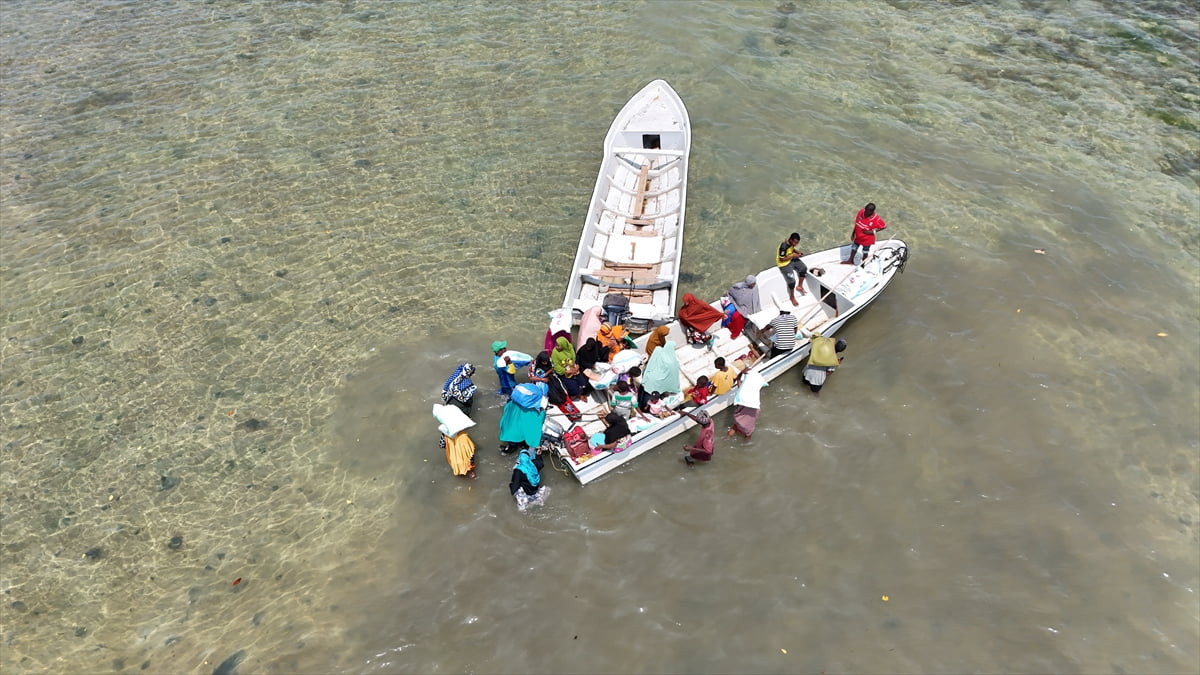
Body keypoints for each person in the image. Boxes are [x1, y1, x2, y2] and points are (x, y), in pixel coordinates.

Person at [498, 382, 548, 454]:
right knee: (519, 443)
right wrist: (543, 412)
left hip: (510, 429)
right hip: (518, 434)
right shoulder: (531, 412)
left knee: (512, 443)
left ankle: (506, 451)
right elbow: (536, 424)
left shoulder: (512, 403)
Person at [727, 369, 767, 439]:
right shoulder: (755, 396)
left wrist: (742, 372)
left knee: (734, 427)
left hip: (739, 419)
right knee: (748, 433)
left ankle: (727, 438)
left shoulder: (742, 393)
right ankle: (745, 444)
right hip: (748, 423)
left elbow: (738, 379)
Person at [509, 446, 549, 512]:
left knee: (516, 487)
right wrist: (538, 455)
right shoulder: (534, 463)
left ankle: (524, 506)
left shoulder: (518, 471)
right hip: (535, 487)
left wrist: (511, 487)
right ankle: (537, 499)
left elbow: (515, 484)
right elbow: (541, 464)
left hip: (527, 490)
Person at [776, 232, 808, 306]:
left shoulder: (791, 243)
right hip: (783, 264)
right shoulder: (784, 246)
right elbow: (782, 259)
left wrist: (797, 252)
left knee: (803, 268)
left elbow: (792, 248)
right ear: (790, 240)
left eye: (797, 243)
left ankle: (800, 286)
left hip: (790, 259)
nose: (796, 244)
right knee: (792, 281)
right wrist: (793, 256)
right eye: (795, 242)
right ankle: (792, 297)